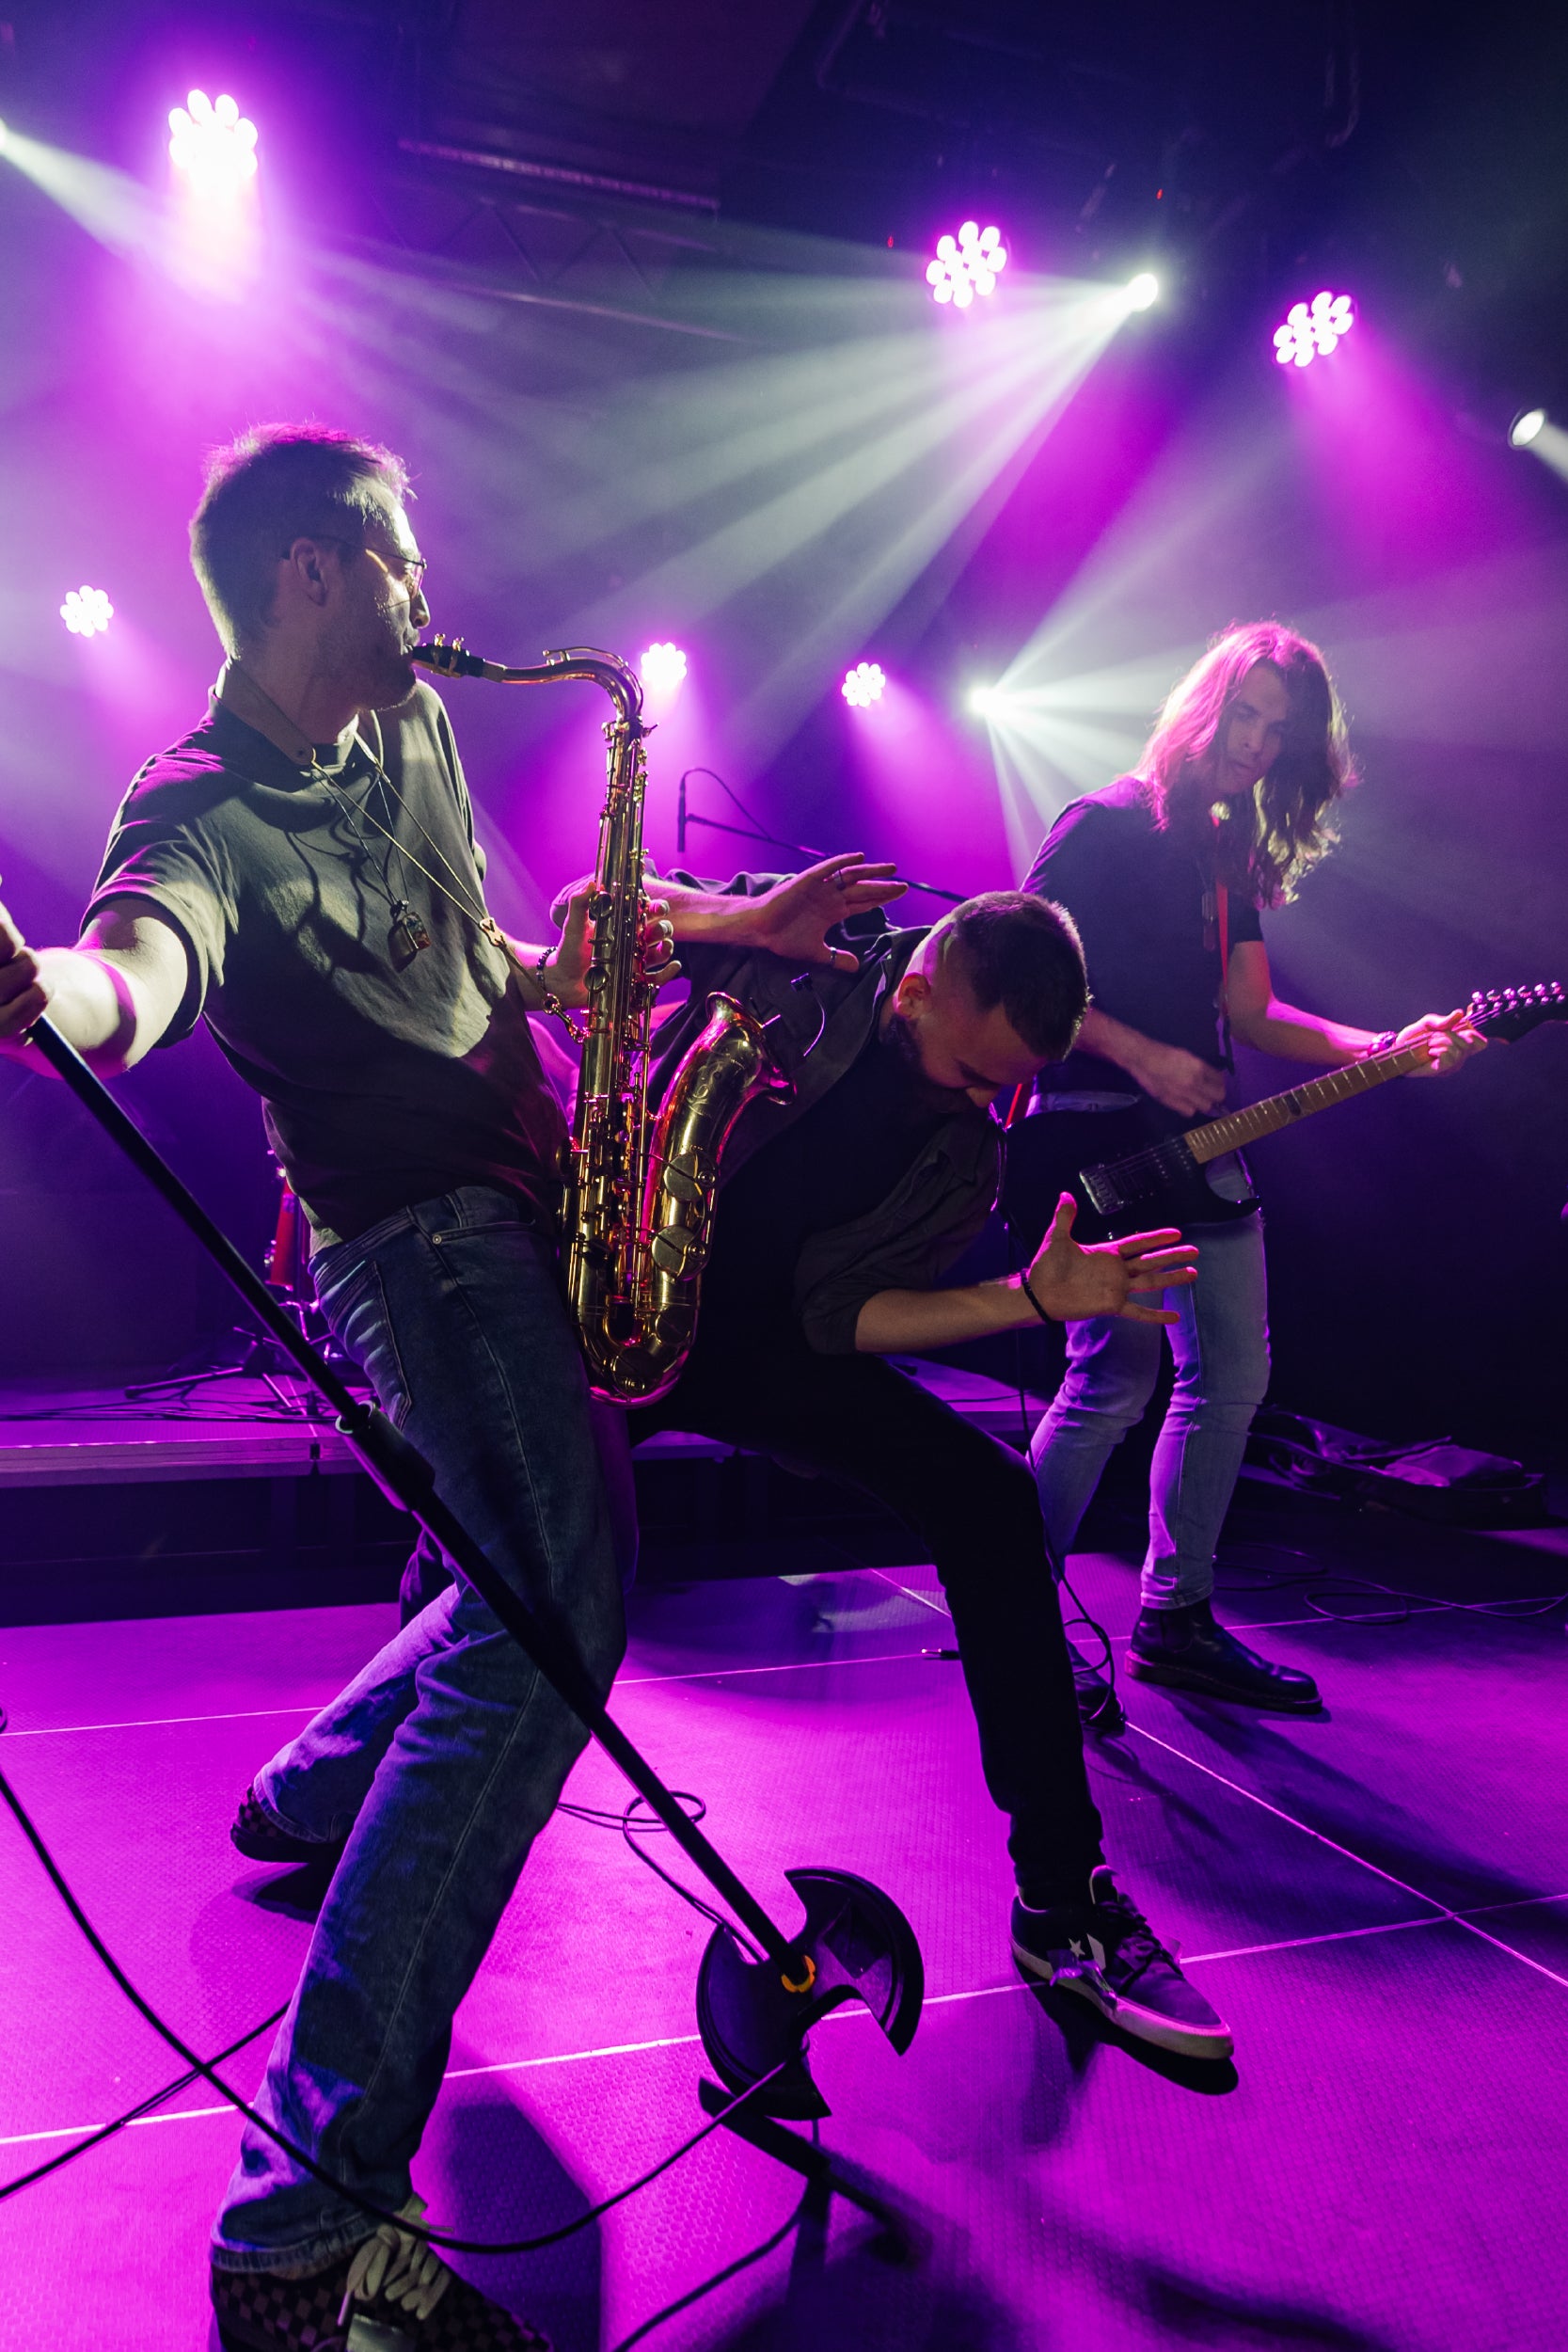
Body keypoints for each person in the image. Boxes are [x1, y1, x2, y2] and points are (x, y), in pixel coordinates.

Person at [0, 422, 894, 2352]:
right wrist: (44, 995)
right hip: (419, 1245)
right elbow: (128, 972)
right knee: (551, 1621)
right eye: (401, 563)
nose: (431, 598)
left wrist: (722, 936)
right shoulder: (196, 812)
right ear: (313, 570)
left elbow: (479, 953)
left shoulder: (404, 728)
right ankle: (301, 2232)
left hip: (520, 1186)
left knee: (531, 1580)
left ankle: (305, 1791)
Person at [607, 879, 1241, 2065]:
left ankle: (1061, 1903)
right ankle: (354, 1779)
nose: (986, 1105)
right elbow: (585, 914)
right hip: (616, 1289)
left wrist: (1026, 1300)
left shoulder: (967, 1141)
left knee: (992, 1503)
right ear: (916, 990)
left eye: (1007, 1086)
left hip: (775, 1346)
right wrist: (739, 924)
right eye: (971, 1074)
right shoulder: (809, 935)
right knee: (503, 1545)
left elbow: (844, 1317)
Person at [1021, 622, 1484, 1712]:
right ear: (1204, 705)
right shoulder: (1099, 824)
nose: (1256, 744)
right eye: (1245, 715)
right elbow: (1011, 979)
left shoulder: (1222, 853)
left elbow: (1252, 1011)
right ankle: (1013, 1612)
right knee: (1110, 1382)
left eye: (1278, 731)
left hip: (1201, 1154)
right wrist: (1141, 1053)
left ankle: (1173, 1616)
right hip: (1101, 1137)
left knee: (1230, 1378)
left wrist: (1385, 1046)